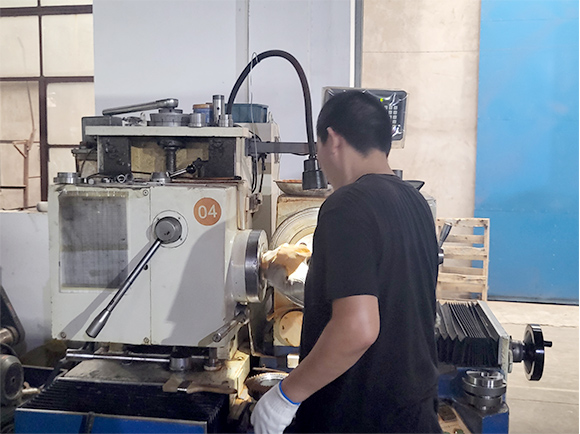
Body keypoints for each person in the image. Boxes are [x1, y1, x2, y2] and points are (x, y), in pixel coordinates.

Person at [251, 90, 442, 433]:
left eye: (319, 149)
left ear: (333, 140)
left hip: (360, 417)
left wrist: (286, 396)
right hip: (413, 412)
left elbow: (358, 329)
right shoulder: (416, 203)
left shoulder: (347, 205)